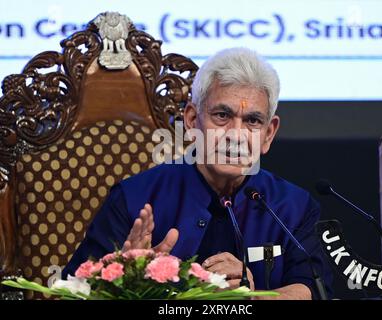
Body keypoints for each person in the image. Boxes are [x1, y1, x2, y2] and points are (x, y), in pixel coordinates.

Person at [63, 47, 333, 299]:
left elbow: (313, 287)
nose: (236, 136)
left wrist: (251, 297)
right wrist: (128, 274)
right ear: (192, 121)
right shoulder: (135, 200)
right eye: (222, 116)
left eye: (252, 120)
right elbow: (71, 289)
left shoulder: (292, 207)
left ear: (268, 134)